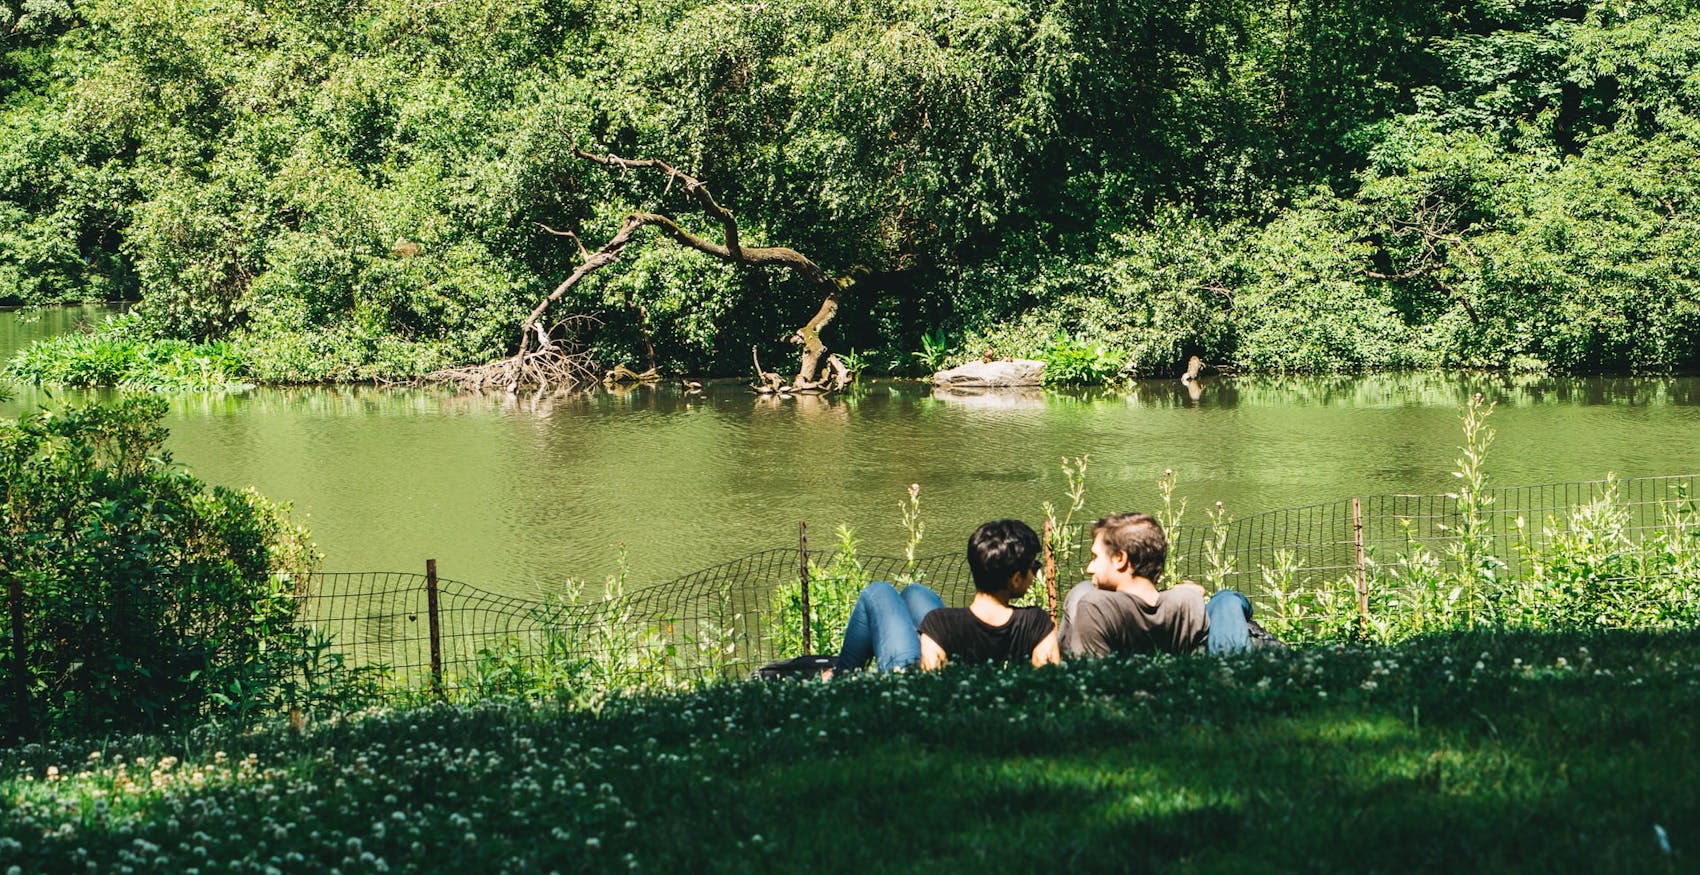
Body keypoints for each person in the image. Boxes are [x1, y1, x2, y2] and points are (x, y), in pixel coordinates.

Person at [832, 519, 1060, 673]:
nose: (1036, 572)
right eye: (1034, 566)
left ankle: (840, 681)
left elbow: (932, 689)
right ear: (1016, 579)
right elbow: (1049, 680)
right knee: (914, 592)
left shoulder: (941, 624)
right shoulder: (1037, 623)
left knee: (878, 591)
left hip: (908, 685)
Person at [1058, 512, 1263, 658]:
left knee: (1081, 590)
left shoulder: (1093, 605)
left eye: (1095, 557)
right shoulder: (1188, 602)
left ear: (1120, 559)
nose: (1089, 568)